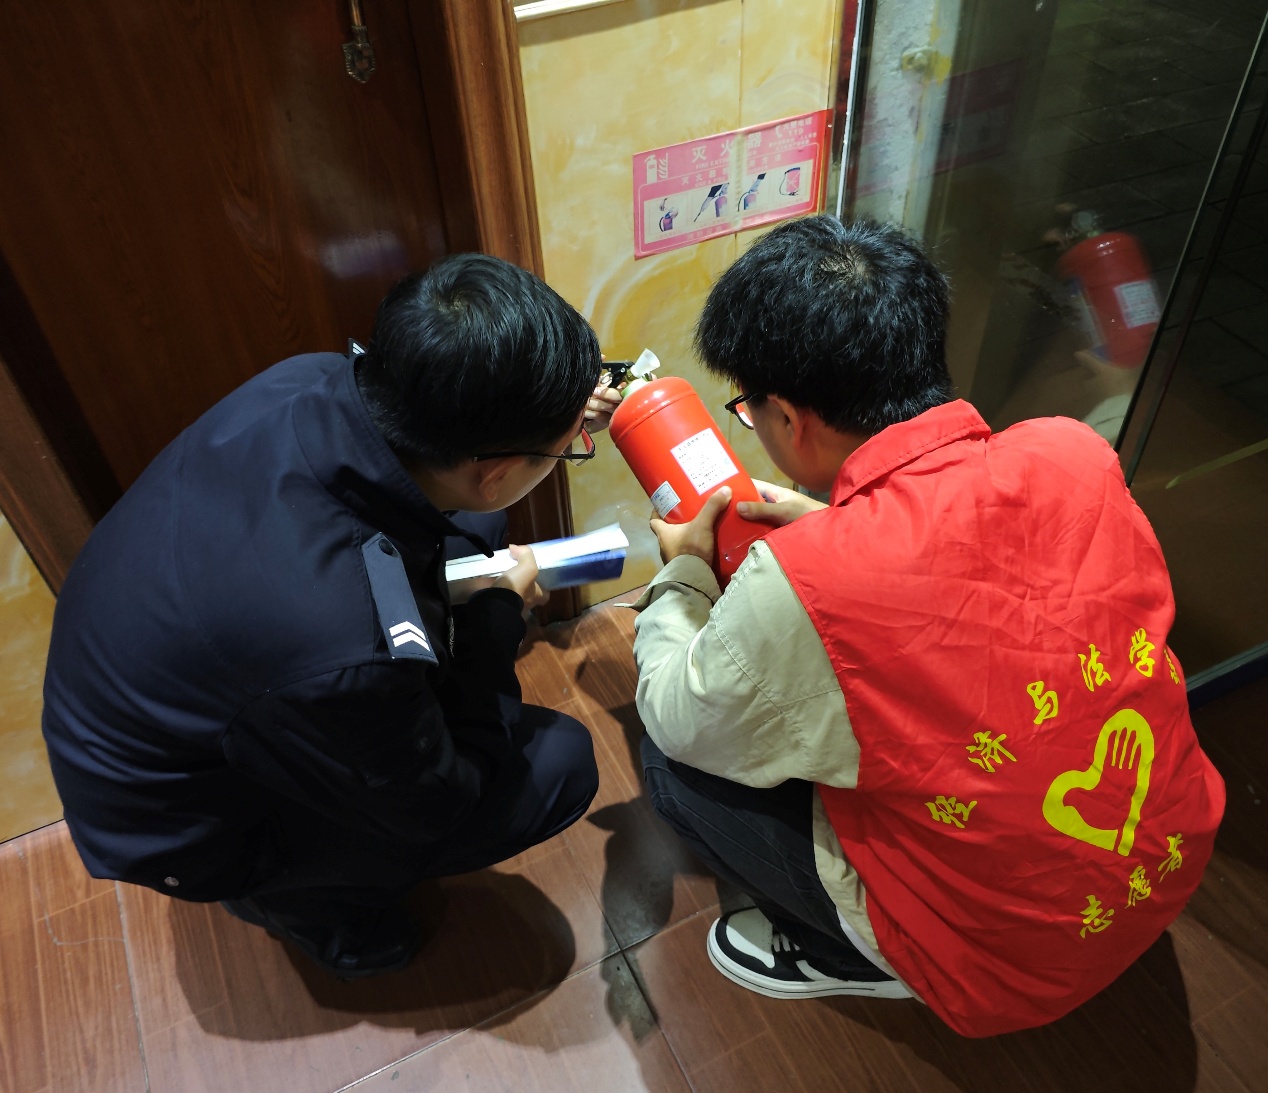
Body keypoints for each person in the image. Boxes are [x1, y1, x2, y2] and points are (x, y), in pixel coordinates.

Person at [629, 215, 1226, 1037]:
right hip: (1162, 866)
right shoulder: (1073, 452)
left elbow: (679, 713)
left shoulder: (805, 586)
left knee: (671, 766)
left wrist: (683, 576)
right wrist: (842, 523)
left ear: (790, 419)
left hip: (1003, 961)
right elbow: (980, 585)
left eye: (749, 411)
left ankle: (863, 956)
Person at [42, 253, 621, 979]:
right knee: (559, 764)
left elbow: (447, 505)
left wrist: (553, 416)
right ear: (496, 470)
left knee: (479, 532)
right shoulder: (339, 648)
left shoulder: (312, 380)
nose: (570, 451)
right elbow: (436, 801)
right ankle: (311, 908)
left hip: (163, 687)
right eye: (566, 451)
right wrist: (497, 615)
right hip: (181, 821)